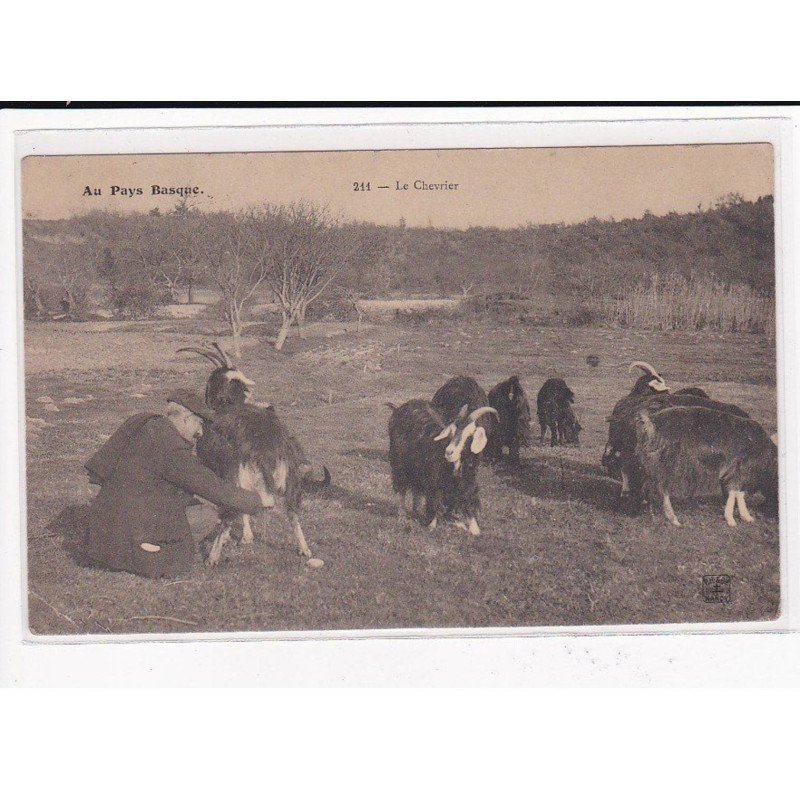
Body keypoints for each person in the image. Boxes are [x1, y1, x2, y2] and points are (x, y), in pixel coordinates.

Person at [84, 389, 265, 579]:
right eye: (200, 424)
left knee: (187, 508)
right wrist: (257, 500)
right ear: (187, 418)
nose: (200, 432)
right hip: (127, 541)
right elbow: (212, 487)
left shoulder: (144, 428)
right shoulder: (170, 447)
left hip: (100, 536)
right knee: (206, 516)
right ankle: (147, 552)